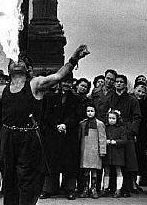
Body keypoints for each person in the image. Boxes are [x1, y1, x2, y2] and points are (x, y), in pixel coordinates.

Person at [0, 44, 89, 205]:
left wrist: (74, 58)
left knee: (28, 178)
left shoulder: (35, 84)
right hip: (7, 136)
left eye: (21, 61)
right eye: (13, 61)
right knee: (9, 176)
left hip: (28, 137)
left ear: (28, 69)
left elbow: (57, 77)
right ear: (8, 68)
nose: (16, 62)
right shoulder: (2, 90)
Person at [40, 72, 83, 200]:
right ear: (59, 82)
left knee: (69, 163)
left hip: (69, 134)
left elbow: (77, 115)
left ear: (72, 83)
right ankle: (48, 189)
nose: (66, 84)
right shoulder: (49, 97)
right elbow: (46, 115)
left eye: (69, 82)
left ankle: (69, 189)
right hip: (52, 134)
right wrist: (57, 125)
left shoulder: (76, 99)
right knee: (51, 162)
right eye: (64, 82)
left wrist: (66, 125)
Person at [102, 74, 141, 197]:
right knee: (112, 161)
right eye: (116, 82)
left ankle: (125, 189)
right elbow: (104, 113)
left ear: (125, 84)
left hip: (126, 133)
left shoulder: (132, 99)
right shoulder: (110, 98)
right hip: (112, 132)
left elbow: (137, 117)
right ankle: (112, 188)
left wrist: (130, 130)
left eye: (121, 82)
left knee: (127, 162)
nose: (118, 84)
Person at [78, 104, 106, 199]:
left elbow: (102, 138)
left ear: (95, 112)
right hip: (85, 150)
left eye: (92, 111)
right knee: (86, 170)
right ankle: (85, 188)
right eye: (88, 111)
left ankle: (93, 188)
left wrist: (102, 150)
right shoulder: (82, 123)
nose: (90, 113)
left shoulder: (99, 124)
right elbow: (79, 137)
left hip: (95, 151)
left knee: (94, 170)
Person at [102, 109, 127, 198]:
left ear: (117, 119)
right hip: (108, 152)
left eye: (113, 118)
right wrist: (105, 141)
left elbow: (124, 140)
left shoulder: (121, 128)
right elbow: (101, 137)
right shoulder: (105, 127)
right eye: (109, 118)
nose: (111, 120)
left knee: (118, 170)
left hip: (117, 153)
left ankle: (118, 189)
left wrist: (115, 142)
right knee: (107, 170)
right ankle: (105, 188)